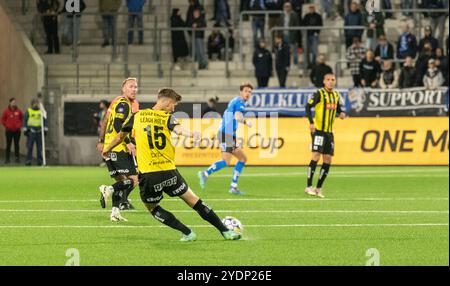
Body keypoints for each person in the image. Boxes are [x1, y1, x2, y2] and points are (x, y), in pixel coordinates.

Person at [102, 88, 241, 241]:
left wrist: (106, 148)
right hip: (170, 172)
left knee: (152, 208)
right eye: (173, 105)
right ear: (167, 102)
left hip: (149, 174)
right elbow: (180, 130)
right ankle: (226, 231)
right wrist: (192, 134)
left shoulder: (138, 116)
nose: (173, 108)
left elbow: (120, 136)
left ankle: (187, 232)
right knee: (194, 200)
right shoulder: (166, 118)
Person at [198, 82, 254, 195]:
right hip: (226, 134)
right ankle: (206, 173)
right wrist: (246, 122)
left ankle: (231, 186)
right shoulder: (239, 102)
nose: (248, 93)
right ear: (241, 92)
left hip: (228, 134)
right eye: (246, 91)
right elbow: (238, 116)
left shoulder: (237, 101)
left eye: (250, 92)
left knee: (241, 159)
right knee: (229, 161)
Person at [97, 78, 140, 218]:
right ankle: (107, 189)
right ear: (124, 89)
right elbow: (117, 124)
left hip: (111, 148)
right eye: (131, 86)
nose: (134, 89)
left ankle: (115, 211)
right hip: (118, 148)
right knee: (134, 179)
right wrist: (128, 142)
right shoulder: (124, 104)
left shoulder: (122, 103)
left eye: (136, 87)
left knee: (122, 181)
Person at [305, 74, 346, 198]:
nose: (330, 82)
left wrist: (342, 113)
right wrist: (311, 122)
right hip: (318, 131)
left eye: (333, 80)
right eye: (328, 80)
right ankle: (308, 186)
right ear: (324, 81)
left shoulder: (336, 95)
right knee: (316, 156)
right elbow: (308, 107)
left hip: (329, 132)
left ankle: (318, 188)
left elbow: (337, 108)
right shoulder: (319, 94)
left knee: (328, 159)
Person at [23, 99, 48, 166]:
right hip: (31, 131)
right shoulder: (29, 111)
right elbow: (25, 120)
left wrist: (45, 129)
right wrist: (25, 129)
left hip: (39, 132)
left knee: (40, 148)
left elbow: (45, 120)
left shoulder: (41, 111)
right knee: (30, 147)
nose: (36, 105)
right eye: (35, 103)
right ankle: (28, 161)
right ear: (32, 104)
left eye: (37, 103)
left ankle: (40, 161)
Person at [1, 98, 23, 164]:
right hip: (9, 131)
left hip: (17, 131)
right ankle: (7, 158)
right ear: (10, 103)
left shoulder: (19, 111)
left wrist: (20, 125)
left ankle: (17, 158)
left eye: (15, 102)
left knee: (17, 144)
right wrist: (7, 126)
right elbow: (2, 120)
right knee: (8, 144)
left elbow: (22, 118)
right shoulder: (6, 111)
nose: (14, 103)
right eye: (13, 102)